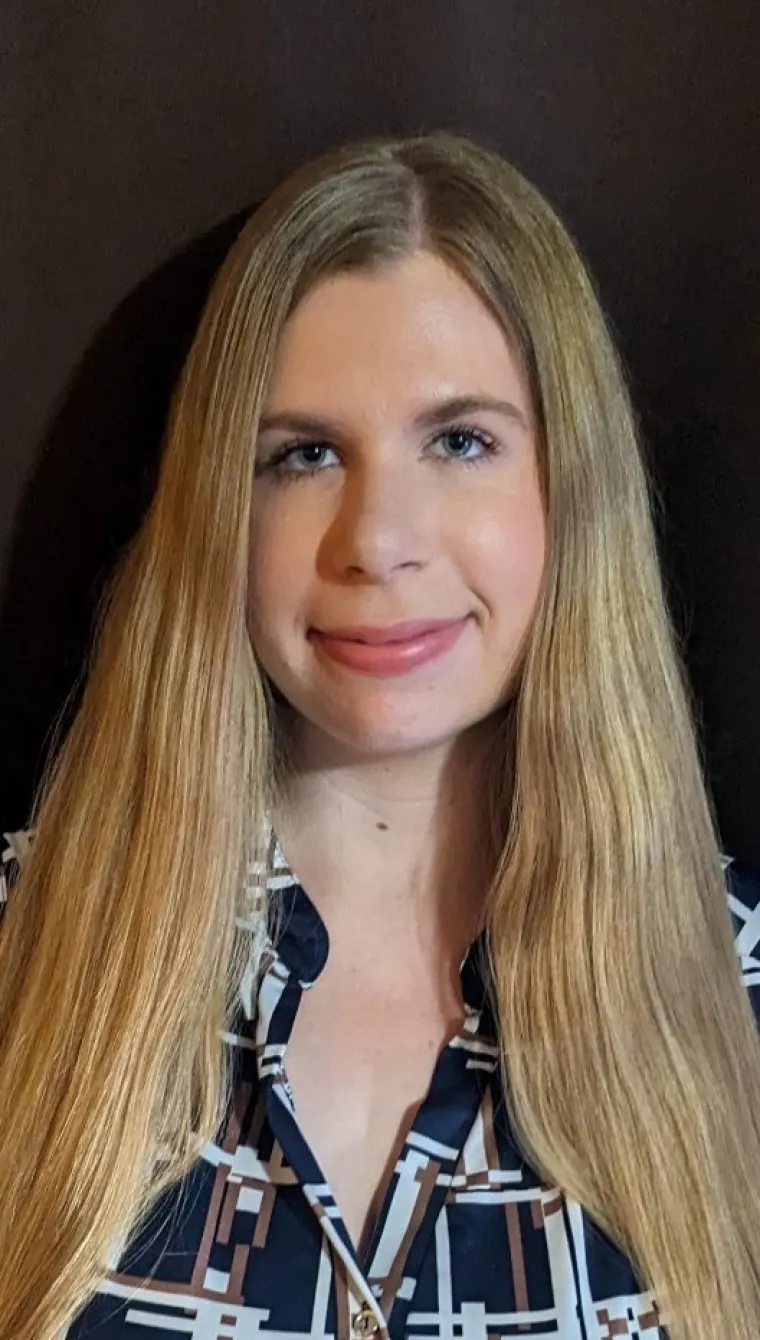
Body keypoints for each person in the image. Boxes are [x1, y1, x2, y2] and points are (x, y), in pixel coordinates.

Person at [0, 130, 758, 1340]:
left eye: (459, 440)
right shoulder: (21, 956)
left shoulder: (743, 985)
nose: (377, 538)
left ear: (570, 487)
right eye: (302, 454)